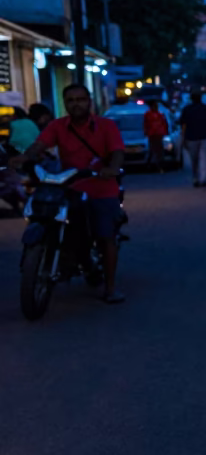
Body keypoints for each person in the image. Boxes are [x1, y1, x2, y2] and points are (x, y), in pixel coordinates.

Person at [21, 84, 126, 303]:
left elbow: (117, 151)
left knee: (105, 235)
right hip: (69, 187)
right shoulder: (57, 126)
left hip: (100, 188)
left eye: (80, 99)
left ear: (89, 102)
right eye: (70, 100)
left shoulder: (106, 126)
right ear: (65, 104)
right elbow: (39, 145)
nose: (76, 104)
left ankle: (110, 288)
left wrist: (112, 168)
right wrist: (25, 157)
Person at [179, 92, 206, 187]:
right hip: (205, 136)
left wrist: (183, 138)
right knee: (203, 158)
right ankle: (203, 179)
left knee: (194, 159)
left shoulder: (187, 109)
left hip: (191, 137)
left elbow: (184, 125)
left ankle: (196, 178)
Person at [142, 101, 170, 173]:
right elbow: (146, 124)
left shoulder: (159, 114)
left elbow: (164, 124)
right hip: (152, 134)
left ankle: (159, 165)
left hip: (158, 134)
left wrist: (165, 132)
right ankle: (152, 165)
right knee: (153, 150)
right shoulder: (148, 115)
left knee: (159, 151)